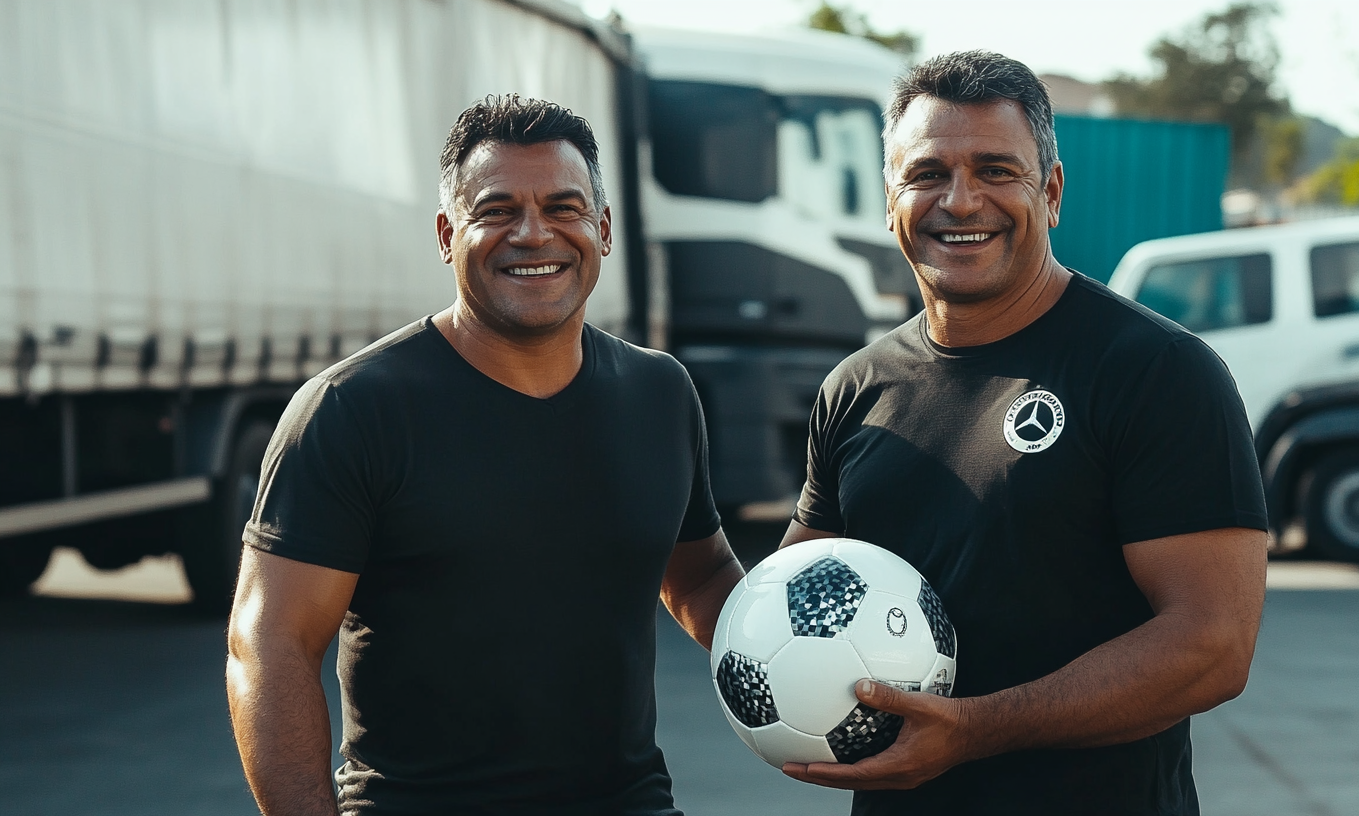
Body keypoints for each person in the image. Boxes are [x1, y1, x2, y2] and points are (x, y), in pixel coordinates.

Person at [777, 51, 1268, 815]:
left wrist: (973, 730)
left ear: (1053, 191)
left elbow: (1212, 648)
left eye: (996, 170)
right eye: (928, 173)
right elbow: (788, 601)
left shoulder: (1158, 371)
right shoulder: (857, 387)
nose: (961, 200)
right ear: (890, 200)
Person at [225, 95, 744, 816]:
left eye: (564, 207)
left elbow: (701, 574)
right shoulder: (354, 409)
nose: (533, 234)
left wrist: (804, 671)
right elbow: (271, 642)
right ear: (447, 234)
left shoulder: (660, 392)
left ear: (603, 229)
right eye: (497, 210)